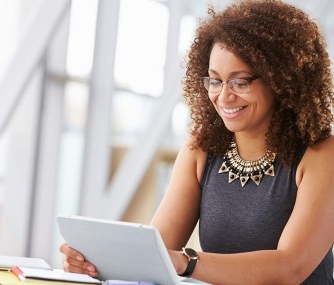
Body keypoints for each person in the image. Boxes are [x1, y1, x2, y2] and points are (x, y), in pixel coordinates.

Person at [60, 0, 334, 284]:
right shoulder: (202, 149)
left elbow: (289, 268)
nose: (224, 96)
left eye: (240, 82)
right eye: (215, 81)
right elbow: (156, 254)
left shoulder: (322, 154)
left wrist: (187, 262)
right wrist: (93, 263)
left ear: (282, 80)